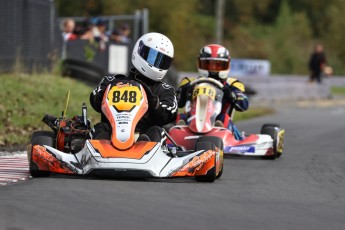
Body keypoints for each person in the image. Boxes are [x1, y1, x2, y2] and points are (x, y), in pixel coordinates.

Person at [89, 32, 178, 142]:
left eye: (162, 61)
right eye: (152, 57)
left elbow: (171, 114)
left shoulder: (165, 90)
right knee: (100, 128)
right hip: (112, 136)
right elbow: (94, 100)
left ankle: (145, 147)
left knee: (156, 131)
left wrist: (155, 104)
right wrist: (106, 93)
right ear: (140, 51)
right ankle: (100, 150)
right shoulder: (112, 82)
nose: (156, 64)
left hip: (146, 140)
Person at [177, 44, 249, 140]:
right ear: (200, 64)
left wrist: (231, 95)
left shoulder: (232, 84)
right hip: (192, 121)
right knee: (180, 117)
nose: (213, 69)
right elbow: (177, 103)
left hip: (220, 120)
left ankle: (220, 130)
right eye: (208, 64)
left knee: (224, 118)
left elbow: (243, 104)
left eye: (218, 65)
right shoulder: (189, 82)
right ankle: (178, 132)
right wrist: (184, 91)